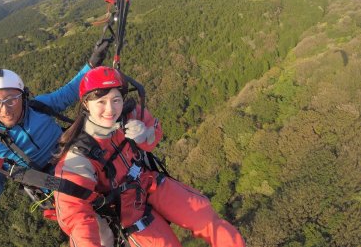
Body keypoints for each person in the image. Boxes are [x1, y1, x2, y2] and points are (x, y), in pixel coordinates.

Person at [53, 66, 246, 247]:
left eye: (116, 100)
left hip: (148, 181)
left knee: (206, 219)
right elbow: (75, 214)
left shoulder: (130, 115)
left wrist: (145, 135)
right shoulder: (77, 158)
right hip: (126, 209)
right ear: (86, 103)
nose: (110, 109)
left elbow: (155, 133)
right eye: (101, 102)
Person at [0, 39, 110, 202]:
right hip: (56, 187)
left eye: (12, 99)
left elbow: (68, 93)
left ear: (23, 97)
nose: (4, 109)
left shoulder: (37, 106)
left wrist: (92, 64)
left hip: (77, 156)